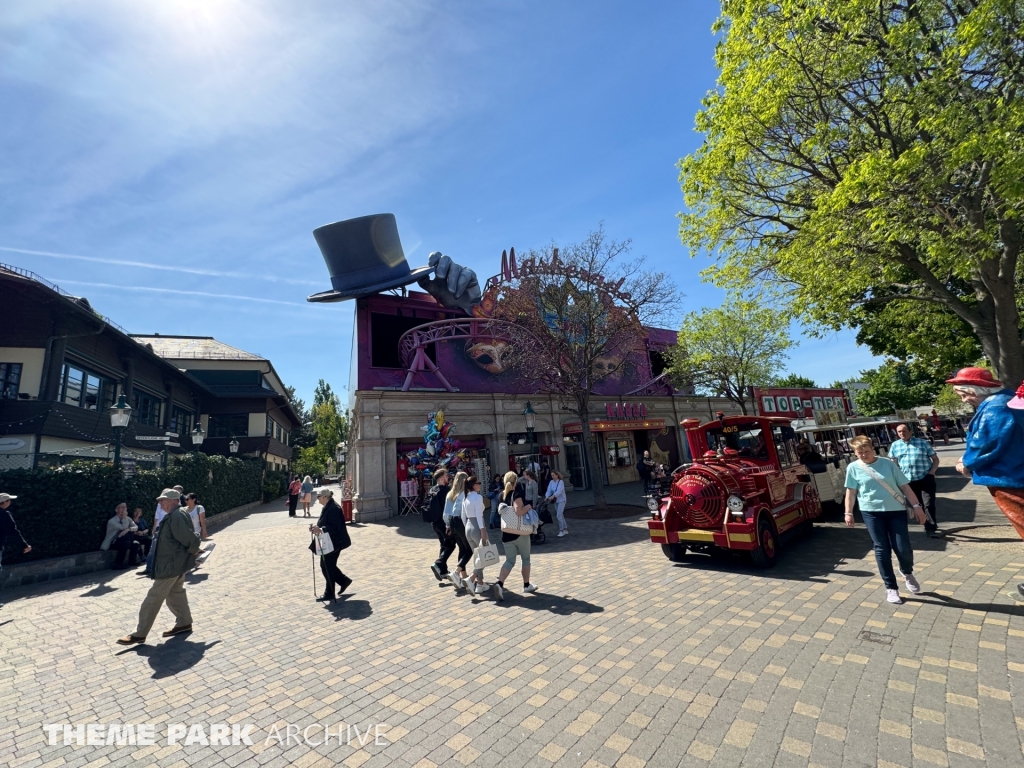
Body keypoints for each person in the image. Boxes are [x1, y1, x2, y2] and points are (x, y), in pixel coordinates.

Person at [949, 369, 1024, 597]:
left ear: (974, 390)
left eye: (963, 395)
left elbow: (987, 444)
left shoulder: (995, 407)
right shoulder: (1008, 400)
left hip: (1009, 477)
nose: (964, 400)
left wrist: (967, 462)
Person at [844, 435, 926, 605]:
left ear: (872, 449)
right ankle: (891, 587)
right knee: (882, 549)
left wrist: (917, 506)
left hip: (896, 511)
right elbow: (851, 492)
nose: (863, 455)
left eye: (866, 451)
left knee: (903, 547)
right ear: (855, 453)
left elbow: (904, 486)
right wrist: (848, 513)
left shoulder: (888, 464)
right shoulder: (853, 468)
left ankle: (907, 571)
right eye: (859, 453)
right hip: (871, 512)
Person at [117, 489, 200, 644]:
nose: (160, 502)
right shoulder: (176, 514)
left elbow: (188, 538)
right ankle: (184, 622)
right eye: (160, 500)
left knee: (153, 598)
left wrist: (195, 551)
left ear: (174, 501)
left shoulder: (176, 516)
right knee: (176, 593)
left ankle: (140, 633)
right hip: (174, 563)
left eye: (163, 500)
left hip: (170, 565)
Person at [888, 423, 941, 537]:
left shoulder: (922, 443)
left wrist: (931, 473)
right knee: (917, 504)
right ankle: (926, 523)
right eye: (899, 432)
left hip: (925, 478)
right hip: (908, 481)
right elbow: (893, 463)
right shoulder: (895, 445)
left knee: (928, 503)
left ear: (910, 431)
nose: (902, 433)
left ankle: (931, 527)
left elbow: (935, 459)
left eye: (904, 431)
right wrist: (896, 477)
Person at [493, 471, 539, 601]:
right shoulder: (516, 494)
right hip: (520, 533)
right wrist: (528, 506)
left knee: (509, 561)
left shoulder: (501, 496)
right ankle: (526, 585)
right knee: (525, 559)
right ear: (515, 482)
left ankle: (500, 583)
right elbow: (519, 512)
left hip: (506, 533)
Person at [309, 489, 352, 602]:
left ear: (325, 497)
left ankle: (330, 592)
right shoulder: (328, 506)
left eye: (318, 497)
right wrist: (316, 528)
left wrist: (321, 529)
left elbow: (335, 527)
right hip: (329, 541)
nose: (317, 499)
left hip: (336, 542)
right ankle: (343, 581)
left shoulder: (334, 508)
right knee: (327, 566)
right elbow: (324, 523)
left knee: (327, 566)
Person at [461, 476, 491, 595]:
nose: (480, 484)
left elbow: (463, 516)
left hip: (468, 527)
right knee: (483, 556)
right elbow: (479, 514)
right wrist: (482, 530)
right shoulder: (478, 497)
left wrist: (467, 528)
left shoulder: (466, 498)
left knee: (478, 556)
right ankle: (472, 578)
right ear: (474, 485)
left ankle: (480, 583)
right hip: (477, 527)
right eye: (478, 483)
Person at [443, 472, 473, 592]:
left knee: (462, 548)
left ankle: (463, 575)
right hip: (461, 522)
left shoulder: (450, 494)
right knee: (469, 549)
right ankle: (457, 572)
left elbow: (446, 513)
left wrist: (448, 525)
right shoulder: (464, 494)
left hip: (452, 523)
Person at [424, 469, 456, 581]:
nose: (448, 478)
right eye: (446, 476)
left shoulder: (432, 489)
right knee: (451, 544)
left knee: (443, 545)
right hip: (444, 523)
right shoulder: (445, 491)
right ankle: (438, 564)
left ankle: (442, 571)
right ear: (442, 478)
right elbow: (448, 509)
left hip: (435, 523)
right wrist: (449, 525)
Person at [101, 503, 142, 569]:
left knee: (136, 543)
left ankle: (132, 561)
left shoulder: (128, 519)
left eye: (125, 507)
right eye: (121, 507)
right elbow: (123, 527)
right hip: (113, 542)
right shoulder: (112, 521)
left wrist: (128, 529)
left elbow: (136, 527)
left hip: (126, 540)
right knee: (125, 542)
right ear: (116, 510)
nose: (124, 509)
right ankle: (117, 564)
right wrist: (124, 518)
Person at [0, 492, 31, 575]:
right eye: (9, 500)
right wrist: (24, 546)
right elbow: (12, 532)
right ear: (5, 502)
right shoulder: (3, 514)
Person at [545, 470, 568, 537]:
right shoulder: (551, 482)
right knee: (560, 515)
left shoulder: (561, 482)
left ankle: (561, 530)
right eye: (551, 475)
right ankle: (565, 529)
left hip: (561, 500)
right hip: (555, 501)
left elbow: (559, 491)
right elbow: (549, 490)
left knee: (558, 515)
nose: (552, 477)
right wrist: (547, 496)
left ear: (557, 475)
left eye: (554, 475)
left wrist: (553, 496)